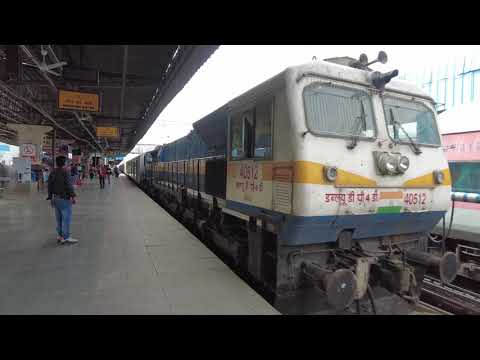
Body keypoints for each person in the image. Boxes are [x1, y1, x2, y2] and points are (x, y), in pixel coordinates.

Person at [46, 156, 78, 245]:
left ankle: (60, 236)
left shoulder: (53, 172)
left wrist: (50, 197)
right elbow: (68, 185)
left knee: (59, 219)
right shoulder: (65, 172)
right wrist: (73, 196)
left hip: (55, 198)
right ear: (64, 163)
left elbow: (49, 185)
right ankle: (66, 237)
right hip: (64, 198)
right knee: (66, 219)